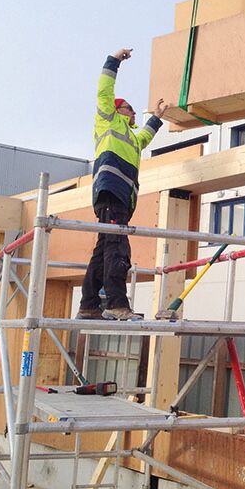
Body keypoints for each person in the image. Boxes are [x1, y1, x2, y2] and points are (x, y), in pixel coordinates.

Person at [76, 48, 169, 321]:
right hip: (111, 191)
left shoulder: (131, 137)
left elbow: (145, 137)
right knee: (117, 248)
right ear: (117, 109)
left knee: (105, 248)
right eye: (128, 107)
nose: (132, 111)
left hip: (120, 198)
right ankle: (116, 304)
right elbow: (104, 89)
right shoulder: (107, 119)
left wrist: (158, 116)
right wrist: (114, 60)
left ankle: (89, 305)